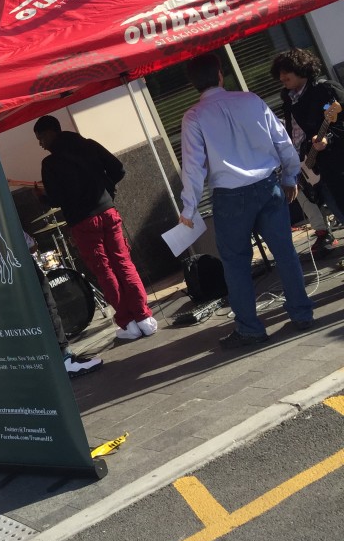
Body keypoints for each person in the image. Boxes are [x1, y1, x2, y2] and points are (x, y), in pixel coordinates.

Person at [178, 53, 315, 348]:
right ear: (220, 74)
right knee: (285, 252)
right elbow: (282, 141)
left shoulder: (193, 117)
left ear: (192, 84)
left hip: (229, 196)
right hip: (268, 185)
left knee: (236, 263)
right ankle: (301, 313)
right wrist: (290, 176)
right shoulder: (251, 100)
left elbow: (193, 166)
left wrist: (189, 206)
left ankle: (250, 328)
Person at [32, 115, 157, 342]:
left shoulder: (50, 164)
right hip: (108, 212)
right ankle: (144, 318)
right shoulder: (89, 145)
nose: (40, 143)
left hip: (83, 221)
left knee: (105, 271)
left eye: (40, 137)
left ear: (51, 132)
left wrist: (43, 197)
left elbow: (57, 198)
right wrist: (106, 189)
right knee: (123, 262)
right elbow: (118, 169)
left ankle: (128, 323)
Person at [270, 47, 344, 256]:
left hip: (335, 163)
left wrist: (327, 139)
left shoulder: (325, 90)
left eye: (287, 71)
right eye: (280, 73)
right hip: (308, 164)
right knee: (336, 208)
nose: (282, 77)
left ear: (301, 69)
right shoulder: (288, 99)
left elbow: (341, 124)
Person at [24, 230, 102, 378]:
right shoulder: (4, 217)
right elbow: (31, 245)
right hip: (23, 265)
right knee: (47, 307)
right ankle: (66, 359)